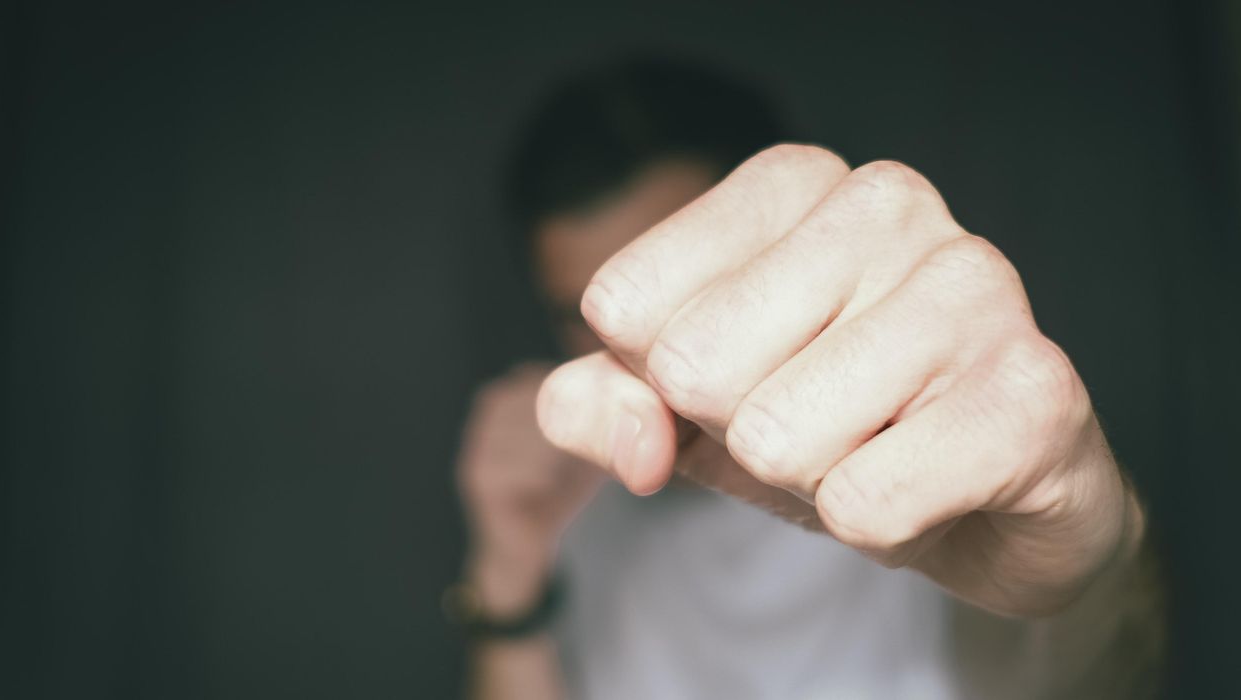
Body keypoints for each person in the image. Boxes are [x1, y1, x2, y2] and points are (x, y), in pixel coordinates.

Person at [449, 56, 1163, 699]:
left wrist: (1084, 560)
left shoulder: (925, 448)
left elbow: (1106, 671)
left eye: (673, 287)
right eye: (585, 320)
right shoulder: (570, 501)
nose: (638, 356)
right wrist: (510, 583)